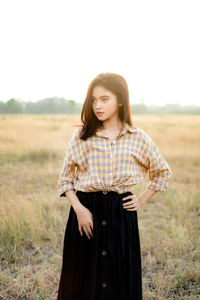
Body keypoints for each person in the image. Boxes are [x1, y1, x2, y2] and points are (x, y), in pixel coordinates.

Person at [56, 72, 172, 300]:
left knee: (118, 280)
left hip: (121, 215)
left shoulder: (138, 137)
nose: (97, 105)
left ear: (120, 100)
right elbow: (65, 180)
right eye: (93, 100)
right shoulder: (81, 136)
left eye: (104, 99)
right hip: (86, 214)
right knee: (82, 280)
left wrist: (141, 199)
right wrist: (79, 209)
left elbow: (162, 172)